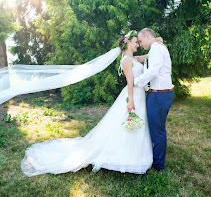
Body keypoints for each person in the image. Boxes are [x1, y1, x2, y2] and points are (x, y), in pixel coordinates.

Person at [21, 30, 153, 176]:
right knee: (124, 124)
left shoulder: (133, 59)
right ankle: (121, 156)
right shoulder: (127, 61)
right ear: (128, 44)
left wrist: (156, 44)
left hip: (138, 94)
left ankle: (134, 154)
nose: (138, 44)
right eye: (135, 42)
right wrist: (131, 101)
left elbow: (146, 56)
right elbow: (130, 82)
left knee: (131, 125)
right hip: (132, 94)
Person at [134, 28, 174, 172]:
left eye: (140, 40)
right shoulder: (155, 49)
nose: (140, 43)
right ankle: (157, 160)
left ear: (147, 36)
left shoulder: (156, 49)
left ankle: (158, 165)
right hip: (159, 94)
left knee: (157, 130)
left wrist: (135, 81)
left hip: (159, 94)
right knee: (157, 129)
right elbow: (146, 61)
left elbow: (153, 71)